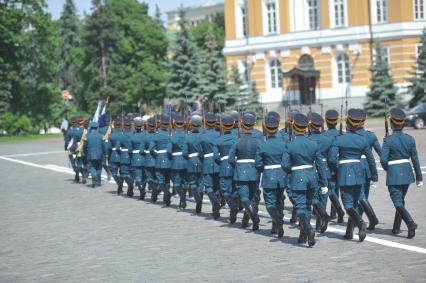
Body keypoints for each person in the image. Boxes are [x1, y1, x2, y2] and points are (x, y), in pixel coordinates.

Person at [329, 108, 378, 242]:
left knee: (348, 205)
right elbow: (371, 159)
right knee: (356, 203)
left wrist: (338, 170)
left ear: (347, 123)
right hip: (359, 173)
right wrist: (374, 176)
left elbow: (332, 160)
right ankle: (349, 232)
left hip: (345, 173)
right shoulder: (362, 140)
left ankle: (361, 223)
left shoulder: (339, 139)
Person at [281, 113, 328, 247]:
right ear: (306, 127)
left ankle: (309, 230)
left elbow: (284, 165)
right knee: (307, 207)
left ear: (294, 127)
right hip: (312, 178)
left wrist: (293, 170)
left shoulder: (290, 145)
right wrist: (324, 183)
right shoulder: (313, 144)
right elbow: (320, 165)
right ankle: (303, 236)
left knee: (300, 208)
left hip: (298, 178)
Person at [380, 108, 423, 238]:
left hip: (394, 173)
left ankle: (410, 223)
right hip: (407, 172)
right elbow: (415, 159)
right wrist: (419, 178)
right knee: (400, 201)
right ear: (403, 124)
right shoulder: (410, 139)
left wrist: (389, 168)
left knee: (397, 202)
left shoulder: (388, 140)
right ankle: (396, 228)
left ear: (392, 124)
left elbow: (383, 159)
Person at [228, 113, 261, 230]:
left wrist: (238, 164)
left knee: (244, 198)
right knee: (251, 198)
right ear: (253, 125)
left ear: (242, 124)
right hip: (254, 172)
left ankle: (254, 216)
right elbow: (260, 158)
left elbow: (231, 159)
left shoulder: (237, 141)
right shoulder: (258, 141)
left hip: (241, 172)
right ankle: (246, 221)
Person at [255, 116, 286, 238]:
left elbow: (258, 163)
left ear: (266, 129)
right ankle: (276, 227)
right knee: (279, 201)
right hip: (281, 175)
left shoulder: (262, 145)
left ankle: (278, 221)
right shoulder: (283, 144)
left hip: (269, 176)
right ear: (277, 128)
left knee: (269, 204)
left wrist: (265, 168)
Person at [356, 109, 381, 230]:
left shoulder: (350, 136)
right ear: (365, 120)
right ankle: (360, 219)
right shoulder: (371, 135)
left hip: (355, 168)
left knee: (360, 196)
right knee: (364, 196)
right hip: (368, 168)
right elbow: (382, 153)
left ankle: (372, 219)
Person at [308, 112, 331, 233]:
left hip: (311, 171)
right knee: (323, 199)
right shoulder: (327, 140)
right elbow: (331, 158)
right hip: (325, 171)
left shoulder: (308, 139)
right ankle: (320, 223)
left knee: (312, 197)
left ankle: (321, 220)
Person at [323, 109, 345, 223]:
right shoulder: (342, 135)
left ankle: (336, 212)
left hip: (328, 166)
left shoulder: (324, 136)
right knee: (335, 190)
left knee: (329, 190)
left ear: (326, 121)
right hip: (340, 166)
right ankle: (334, 213)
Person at [214, 115, 238, 222]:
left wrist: (222, 162)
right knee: (235, 189)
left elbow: (215, 156)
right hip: (236, 166)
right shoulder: (237, 138)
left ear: (222, 126)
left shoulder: (218, 140)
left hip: (224, 166)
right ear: (233, 125)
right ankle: (236, 206)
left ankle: (233, 207)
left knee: (225, 191)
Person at [200, 113, 221, 219]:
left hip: (207, 162)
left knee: (208, 186)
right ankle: (215, 209)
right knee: (216, 186)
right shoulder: (219, 134)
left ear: (206, 123)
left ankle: (215, 203)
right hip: (217, 163)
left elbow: (200, 152)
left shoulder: (203, 136)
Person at [149, 115, 172, 206]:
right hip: (168, 159)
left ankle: (167, 193)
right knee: (167, 180)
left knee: (160, 179)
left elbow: (151, 149)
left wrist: (156, 155)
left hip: (159, 159)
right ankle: (166, 201)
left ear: (160, 124)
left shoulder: (156, 135)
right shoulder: (170, 135)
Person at [184, 115, 204, 213]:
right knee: (200, 182)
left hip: (191, 161)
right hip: (201, 161)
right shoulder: (203, 136)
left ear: (191, 124)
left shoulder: (187, 137)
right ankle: (199, 201)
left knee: (192, 183)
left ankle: (198, 200)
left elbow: (184, 153)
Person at [168, 115, 188, 208]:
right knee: (184, 182)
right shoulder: (187, 136)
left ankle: (182, 197)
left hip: (175, 162)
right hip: (186, 162)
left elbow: (169, 151)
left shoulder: (172, 137)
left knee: (176, 183)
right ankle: (182, 198)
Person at [116, 118, 134, 197]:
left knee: (124, 173)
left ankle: (130, 186)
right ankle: (129, 188)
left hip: (123, 155)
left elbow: (117, 148)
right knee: (131, 173)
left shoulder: (121, 136)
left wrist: (121, 152)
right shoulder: (133, 135)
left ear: (124, 126)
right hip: (132, 155)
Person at [143, 118, 159, 202]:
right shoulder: (158, 135)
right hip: (157, 160)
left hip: (148, 160)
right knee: (156, 178)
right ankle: (155, 191)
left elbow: (142, 150)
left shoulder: (145, 137)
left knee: (149, 178)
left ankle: (154, 192)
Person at [131, 117, 146, 200]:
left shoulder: (132, 136)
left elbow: (130, 149)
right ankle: (143, 188)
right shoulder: (145, 134)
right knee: (144, 176)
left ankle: (141, 190)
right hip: (144, 157)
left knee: (138, 177)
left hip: (136, 157)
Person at [86, 121, 103, 187]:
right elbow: (104, 146)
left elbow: (85, 146)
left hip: (91, 154)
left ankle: (94, 176)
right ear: (97, 128)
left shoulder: (87, 136)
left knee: (92, 167)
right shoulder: (101, 135)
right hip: (100, 154)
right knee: (99, 168)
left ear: (91, 128)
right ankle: (98, 182)